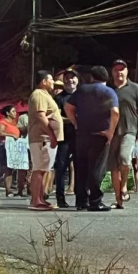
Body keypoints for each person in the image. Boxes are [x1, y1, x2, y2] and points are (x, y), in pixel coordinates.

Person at [65, 65, 119, 212]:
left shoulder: (82, 90)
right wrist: (110, 132)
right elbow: (115, 112)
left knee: (81, 167)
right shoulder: (109, 92)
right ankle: (95, 201)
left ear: (91, 77)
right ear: (106, 78)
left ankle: (81, 201)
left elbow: (68, 107)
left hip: (82, 134)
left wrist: (76, 123)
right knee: (96, 168)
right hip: (99, 135)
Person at [109, 59, 138, 209]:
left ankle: (124, 186)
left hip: (129, 129)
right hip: (112, 132)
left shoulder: (134, 88)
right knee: (113, 167)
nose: (119, 72)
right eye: (116, 69)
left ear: (127, 71)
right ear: (112, 72)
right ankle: (118, 200)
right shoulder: (109, 89)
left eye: (122, 69)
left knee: (125, 159)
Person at [26, 70, 62, 211]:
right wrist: (52, 135)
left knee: (43, 169)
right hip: (42, 138)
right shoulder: (39, 94)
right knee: (39, 169)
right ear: (44, 81)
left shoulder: (45, 95)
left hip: (45, 138)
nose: (53, 82)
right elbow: (41, 117)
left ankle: (40, 199)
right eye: (51, 80)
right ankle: (36, 201)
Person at [52, 67, 79, 208]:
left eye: (72, 77)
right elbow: (55, 118)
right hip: (63, 138)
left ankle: (81, 198)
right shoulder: (58, 98)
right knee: (61, 168)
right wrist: (73, 119)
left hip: (81, 138)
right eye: (67, 77)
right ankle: (60, 198)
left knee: (81, 167)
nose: (70, 80)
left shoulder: (83, 95)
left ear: (78, 80)